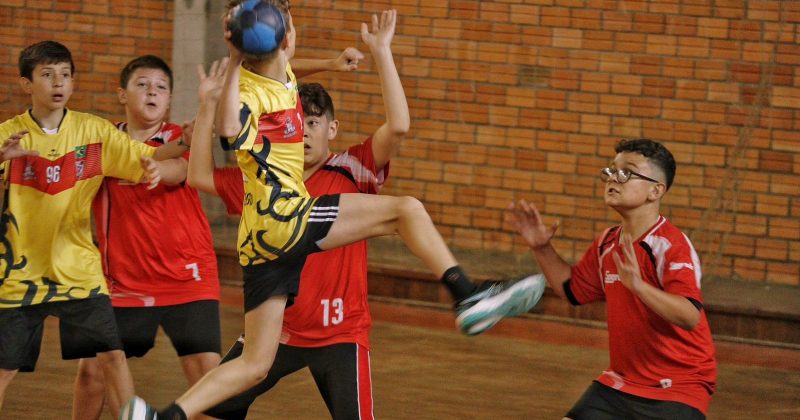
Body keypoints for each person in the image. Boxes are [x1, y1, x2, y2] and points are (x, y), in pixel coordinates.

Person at [121, 4, 544, 419]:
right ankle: (466, 294)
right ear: (285, 36)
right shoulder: (249, 92)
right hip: (285, 218)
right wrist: (228, 72)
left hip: (259, 247)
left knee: (253, 364)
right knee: (405, 210)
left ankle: (163, 417)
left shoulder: (281, 77)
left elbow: (282, 70)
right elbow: (231, 130)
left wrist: (326, 63)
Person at [187, 10, 403, 419]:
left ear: (332, 129)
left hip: (340, 333)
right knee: (211, 407)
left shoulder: (352, 169)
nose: (303, 132)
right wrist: (206, 107)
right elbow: (199, 174)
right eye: (298, 123)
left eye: (314, 123)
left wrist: (381, 54)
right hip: (281, 331)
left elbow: (397, 127)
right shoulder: (262, 181)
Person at [0, 41, 184, 418]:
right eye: (47, 74)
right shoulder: (8, 136)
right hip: (18, 274)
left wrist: (188, 139)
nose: (59, 83)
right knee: (4, 370)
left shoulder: (93, 132)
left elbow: (145, 157)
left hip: (78, 271)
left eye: (65, 75)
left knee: (113, 356)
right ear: (26, 84)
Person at [508, 138, 717, 419]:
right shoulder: (607, 242)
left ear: (656, 190)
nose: (612, 179)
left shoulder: (670, 244)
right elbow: (573, 291)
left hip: (678, 385)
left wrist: (640, 287)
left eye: (626, 173)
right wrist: (541, 248)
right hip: (620, 383)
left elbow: (690, 315)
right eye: (610, 171)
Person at [70, 55, 222, 420]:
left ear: (169, 100)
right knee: (92, 372)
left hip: (187, 276)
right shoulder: (103, 139)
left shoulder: (179, 138)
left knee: (208, 377)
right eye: (142, 84)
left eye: (161, 87)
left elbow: (182, 169)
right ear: (122, 94)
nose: (152, 92)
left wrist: (159, 167)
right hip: (123, 282)